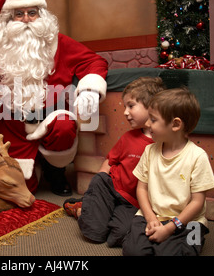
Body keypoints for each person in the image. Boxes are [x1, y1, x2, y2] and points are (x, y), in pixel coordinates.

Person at [0, 0, 108, 196]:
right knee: (20, 189)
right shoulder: (0, 47)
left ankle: (55, 170)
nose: (26, 20)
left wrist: (89, 88)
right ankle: (34, 168)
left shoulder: (59, 42)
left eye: (32, 13)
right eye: (19, 14)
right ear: (8, 19)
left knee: (64, 126)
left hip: (50, 115)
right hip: (13, 124)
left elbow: (94, 61)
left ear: (41, 15)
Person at [63, 77, 166, 247]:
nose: (125, 112)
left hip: (133, 202)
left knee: (119, 236)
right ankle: (82, 210)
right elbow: (110, 162)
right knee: (94, 234)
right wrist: (101, 182)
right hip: (110, 187)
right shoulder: (127, 138)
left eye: (131, 106)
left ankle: (88, 209)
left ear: (152, 107)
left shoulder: (164, 143)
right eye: (125, 107)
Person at [122, 87, 214, 256]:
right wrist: (151, 218)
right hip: (152, 215)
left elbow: (197, 202)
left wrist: (170, 228)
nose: (147, 124)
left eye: (153, 119)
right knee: (132, 251)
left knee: (183, 251)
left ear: (175, 124)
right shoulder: (149, 151)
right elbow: (141, 188)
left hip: (189, 222)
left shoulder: (197, 156)